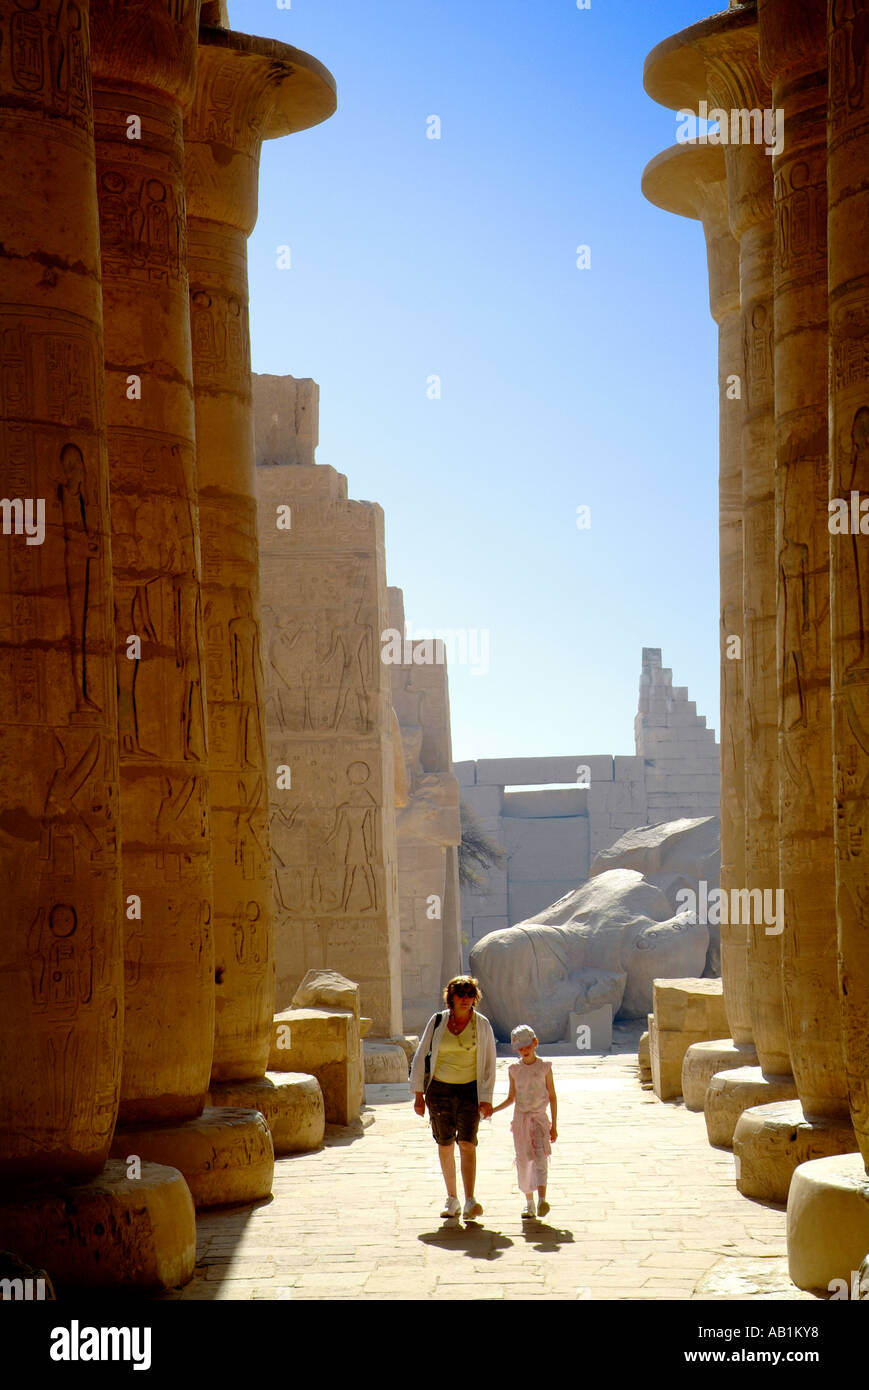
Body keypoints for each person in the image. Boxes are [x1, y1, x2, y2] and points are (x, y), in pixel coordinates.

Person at [409, 975, 496, 1221]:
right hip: (439, 1091)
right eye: (461, 994)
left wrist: (487, 1097)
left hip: (470, 1090)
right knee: (445, 1144)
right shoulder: (437, 1021)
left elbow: (489, 1062)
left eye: (470, 994)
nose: (466, 999)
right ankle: (452, 1198)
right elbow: (420, 1055)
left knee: (467, 1143)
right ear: (452, 997)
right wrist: (418, 1094)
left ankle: (470, 1199)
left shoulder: (482, 1025)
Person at [491, 1023, 557, 1219]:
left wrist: (555, 1124)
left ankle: (542, 1199)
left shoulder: (545, 1068)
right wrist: (493, 1109)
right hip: (521, 1121)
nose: (524, 1051)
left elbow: (552, 1095)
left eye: (527, 1046)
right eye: (520, 1048)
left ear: (535, 1043)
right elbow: (512, 1097)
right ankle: (529, 1202)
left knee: (540, 1157)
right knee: (524, 1160)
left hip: (539, 1119)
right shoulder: (514, 1070)